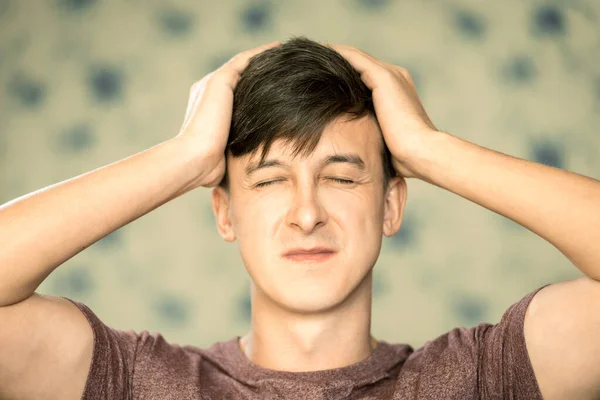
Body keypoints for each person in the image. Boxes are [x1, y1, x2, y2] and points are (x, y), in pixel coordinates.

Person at [0, 36, 599, 400]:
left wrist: (427, 148)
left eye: (341, 177)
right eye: (268, 181)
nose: (307, 213)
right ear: (224, 212)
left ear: (391, 204)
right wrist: (183, 157)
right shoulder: (131, 383)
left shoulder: (485, 380)